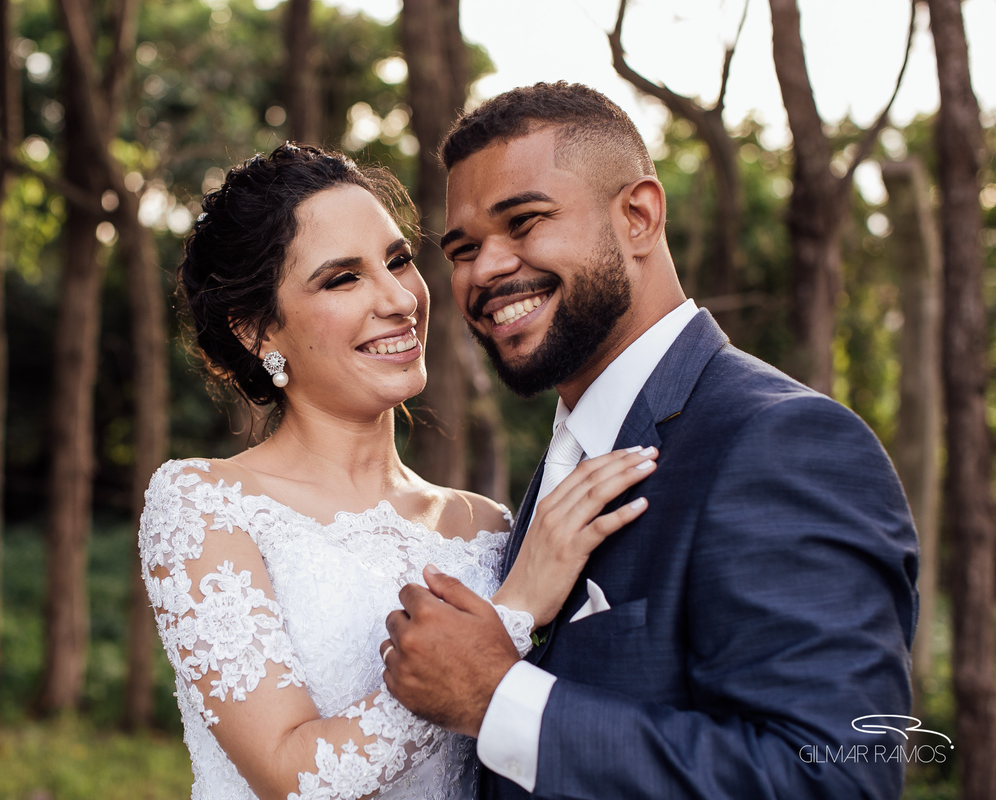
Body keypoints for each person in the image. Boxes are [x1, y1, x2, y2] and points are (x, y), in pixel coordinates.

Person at [381, 82, 920, 799]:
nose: (486, 270)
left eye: (525, 222)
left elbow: (833, 779)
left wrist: (496, 699)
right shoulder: (567, 456)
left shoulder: (782, 441)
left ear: (638, 216)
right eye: (463, 249)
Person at [137, 142, 660, 800]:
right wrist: (514, 611)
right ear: (257, 331)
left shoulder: (486, 525)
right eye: (342, 278)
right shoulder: (206, 507)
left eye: (398, 260)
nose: (398, 298)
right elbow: (290, 777)